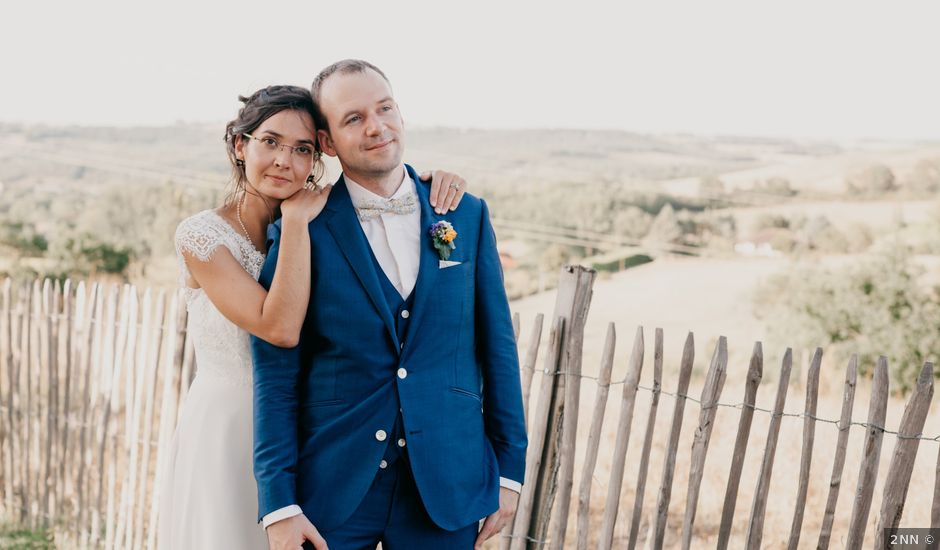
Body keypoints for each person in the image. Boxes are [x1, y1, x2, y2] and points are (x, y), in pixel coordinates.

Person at [159, 84, 468, 550]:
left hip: (305, 437)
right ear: (241, 146)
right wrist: (299, 223)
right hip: (230, 432)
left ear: (318, 156)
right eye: (270, 142)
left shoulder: (328, 225)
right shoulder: (203, 238)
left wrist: (423, 188)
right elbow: (278, 328)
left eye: (301, 149)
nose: (284, 160)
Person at [251, 60, 527, 550]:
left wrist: (509, 473)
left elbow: (498, 348)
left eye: (385, 108)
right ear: (329, 142)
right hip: (332, 490)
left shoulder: (465, 213)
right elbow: (275, 377)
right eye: (354, 118)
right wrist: (279, 504)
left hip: (447, 485)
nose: (376, 127)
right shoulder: (301, 229)